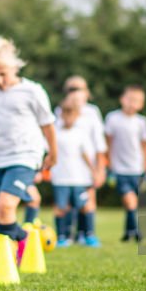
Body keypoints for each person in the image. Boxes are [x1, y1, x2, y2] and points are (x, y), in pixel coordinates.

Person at [0, 36, 57, 262]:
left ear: (15, 67)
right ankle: (24, 238)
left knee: (5, 208)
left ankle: (12, 257)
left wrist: (53, 153)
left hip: (25, 155)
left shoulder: (32, 91)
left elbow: (48, 124)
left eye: (3, 74)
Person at [56, 76, 108, 242]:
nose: (75, 93)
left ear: (86, 92)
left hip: (86, 168)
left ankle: (86, 234)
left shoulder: (92, 112)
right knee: (67, 204)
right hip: (65, 169)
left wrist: (99, 169)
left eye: (79, 89)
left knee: (87, 202)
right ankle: (67, 235)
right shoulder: (60, 112)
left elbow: (99, 144)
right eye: (71, 89)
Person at [104, 85, 146, 242]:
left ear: (142, 104)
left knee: (132, 203)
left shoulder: (142, 122)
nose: (132, 103)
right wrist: (108, 166)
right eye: (130, 99)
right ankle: (137, 232)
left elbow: (144, 147)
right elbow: (108, 144)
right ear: (122, 99)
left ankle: (127, 233)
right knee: (130, 201)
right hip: (119, 169)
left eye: (137, 101)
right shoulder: (112, 118)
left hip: (137, 169)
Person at [51, 92, 99, 247]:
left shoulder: (81, 133)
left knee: (85, 206)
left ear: (77, 116)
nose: (68, 118)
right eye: (65, 114)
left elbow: (85, 154)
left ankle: (89, 235)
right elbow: (50, 153)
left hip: (80, 178)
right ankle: (61, 236)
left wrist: (94, 171)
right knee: (61, 208)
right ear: (61, 115)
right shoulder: (55, 133)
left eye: (71, 114)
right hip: (61, 178)